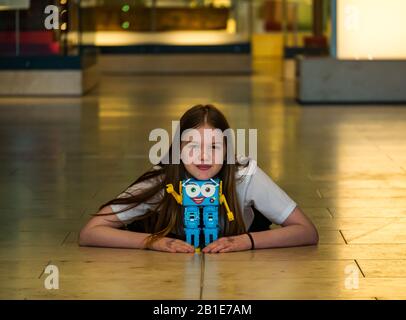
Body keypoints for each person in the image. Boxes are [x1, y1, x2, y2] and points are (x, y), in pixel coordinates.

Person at [79, 104, 318, 253]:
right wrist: (154, 242)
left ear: (227, 150)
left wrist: (247, 241)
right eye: (192, 146)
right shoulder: (163, 178)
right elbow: (90, 232)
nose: (203, 156)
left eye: (214, 146)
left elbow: (306, 231)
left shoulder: (244, 174)